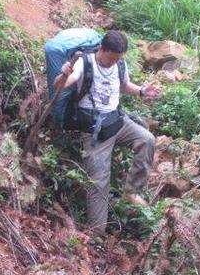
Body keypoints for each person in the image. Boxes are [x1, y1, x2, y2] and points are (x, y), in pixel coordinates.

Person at [54, 30, 161, 233]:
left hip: (117, 121)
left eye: (117, 59)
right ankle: (96, 233)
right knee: (99, 181)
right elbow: (60, 84)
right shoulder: (84, 62)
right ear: (101, 49)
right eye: (110, 58)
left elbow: (124, 85)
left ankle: (132, 191)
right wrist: (64, 74)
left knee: (146, 139)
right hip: (94, 130)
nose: (113, 63)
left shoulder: (119, 64)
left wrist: (141, 91)